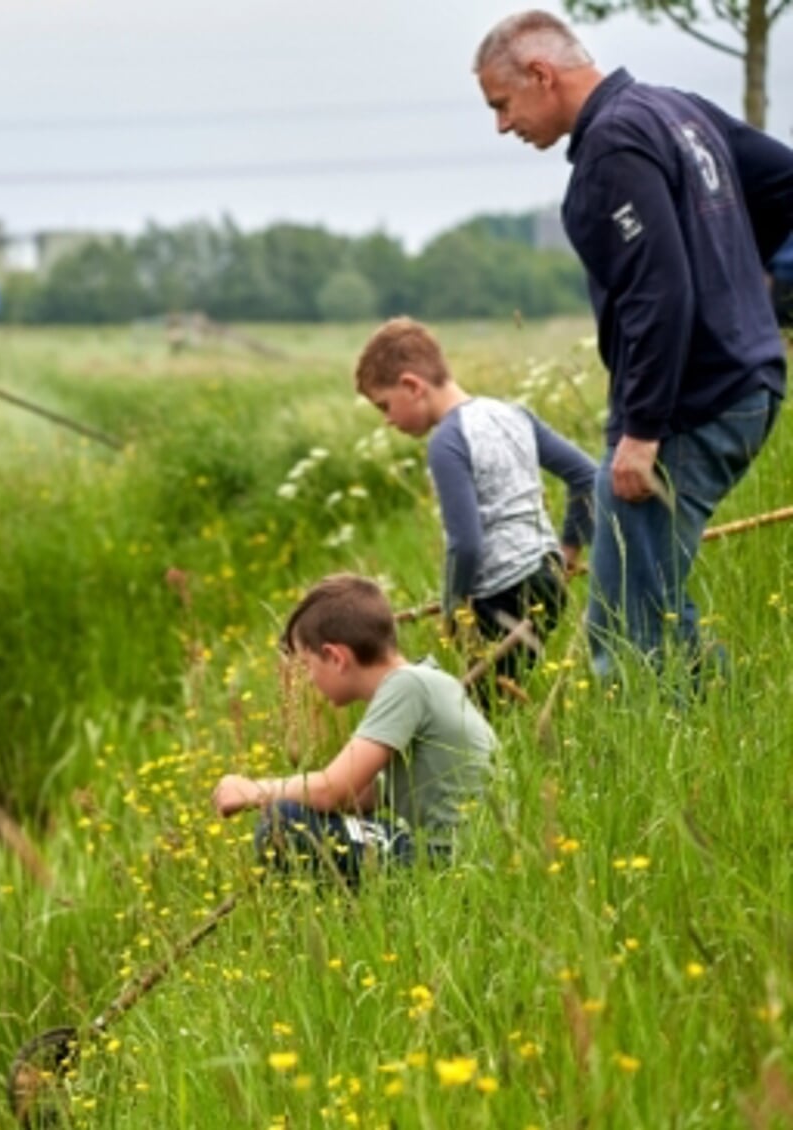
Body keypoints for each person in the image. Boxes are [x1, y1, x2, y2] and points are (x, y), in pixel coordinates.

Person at [474, 11, 793, 678]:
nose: (503, 125)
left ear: (541, 74)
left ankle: (688, 749)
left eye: (501, 105)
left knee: (625, 637)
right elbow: (784, 182)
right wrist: (749, 297)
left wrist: (642, 431)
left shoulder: (614, 145)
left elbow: (659, 292)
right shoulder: (677, 110)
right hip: (746, 382)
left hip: (690, 402)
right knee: (653, 610)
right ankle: (723, 726)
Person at [354, 317, 596, 693]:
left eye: (385, 406)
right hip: (548, 583)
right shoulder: (514, 415)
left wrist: (453, 609)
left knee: (478, 713)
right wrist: (566, 550)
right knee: (503, 696)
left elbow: (465, 542)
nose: (387, 420)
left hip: (502, 593)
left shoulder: (447, 441)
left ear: (412, 386)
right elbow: (586, 476)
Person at [212, 575, 498, 882]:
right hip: (462, 855)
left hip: (453, 862)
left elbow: (333, 791)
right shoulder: (425, 680)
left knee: (284, 823)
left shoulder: (407, 687)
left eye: (308, 666)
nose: (308, 680)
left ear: (336, 657)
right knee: (298, 813)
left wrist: (255, 790)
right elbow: (359, 798)